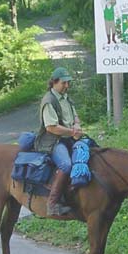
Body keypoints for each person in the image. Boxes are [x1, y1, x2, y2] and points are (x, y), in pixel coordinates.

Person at [34, 67, 83, 216]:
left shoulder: (66, 97)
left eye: (68, 83)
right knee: (66, 165)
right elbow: (51, 128)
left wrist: (77, 125)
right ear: (54, 82)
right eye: (64, 83)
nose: (67, 86)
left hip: (69, 137)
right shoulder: (49, 101)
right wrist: (73, 132)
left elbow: (75, 116)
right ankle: (52, 204)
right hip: (53, 141)